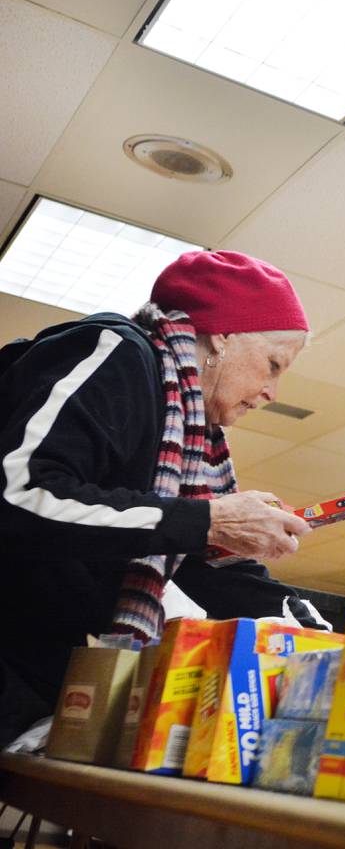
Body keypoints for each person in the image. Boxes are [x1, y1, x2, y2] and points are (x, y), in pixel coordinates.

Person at [0, 249, 319, 747]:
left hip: (32, 661)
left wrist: (304, 621)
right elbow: (19, 495)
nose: (271, 392)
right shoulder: (116, 351)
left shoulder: (195, 441)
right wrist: (205, 520)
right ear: (224, 335)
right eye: (273, 365)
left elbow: (191, 557)